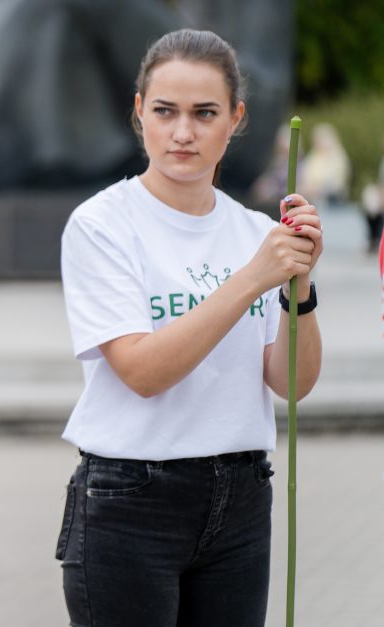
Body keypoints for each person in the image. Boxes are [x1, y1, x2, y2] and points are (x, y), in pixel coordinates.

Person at [56, 29, 322, 627]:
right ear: (138, 112)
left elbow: (292, 383)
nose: (183, 132)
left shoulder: (258, 232)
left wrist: (299, 286)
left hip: (243, 495)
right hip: (130, 501)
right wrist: (255, 277)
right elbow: (143, 372)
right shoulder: (101, 224)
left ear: (236, 119)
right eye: (165, 112)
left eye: (205, 114)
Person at [300, 122, 351, 209]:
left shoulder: (337, 156)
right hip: (311, 195)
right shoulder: (313, 155)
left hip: (331, 197)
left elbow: (336, 183)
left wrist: (317, 189)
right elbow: (305, 175)